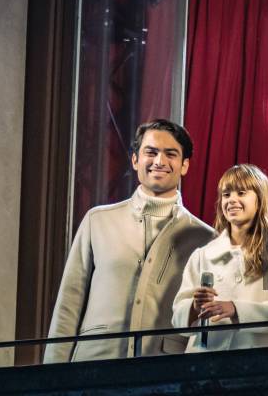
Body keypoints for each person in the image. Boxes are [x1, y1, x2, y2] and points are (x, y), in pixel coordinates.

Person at [44, 119, 214, 363]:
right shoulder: (98, 221)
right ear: (135, 160)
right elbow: (68, 306)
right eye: (151, 152)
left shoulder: (206, 238)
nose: (159, 161)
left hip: (165, 373)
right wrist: (51, 378)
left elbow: (204, 323)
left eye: (171, 154)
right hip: (92, 366)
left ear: (184, 165)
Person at [172, 164, 268, 352]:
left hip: (257, 367)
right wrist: (194, 307)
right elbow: (178, 318)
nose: (232, 200)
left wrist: (236, 309)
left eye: (241, 193)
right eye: (226, 194)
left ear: (260, 200)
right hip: (204, 364)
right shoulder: (202, 255)